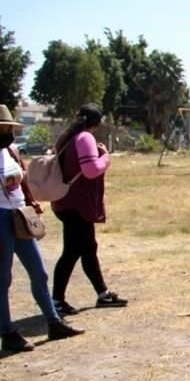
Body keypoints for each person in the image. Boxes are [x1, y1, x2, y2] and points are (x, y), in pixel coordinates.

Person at [0, 105, 83, 352]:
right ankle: (7, 332)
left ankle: (54, 322)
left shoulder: (11, 151)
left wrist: (30, 203)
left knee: (39, 272)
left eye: (9, 128)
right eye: (3, 129)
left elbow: (23, 179)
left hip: (19, 215)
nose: (7, 133)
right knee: (3, 278)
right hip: (0, 218)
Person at [50, 104, 127, 315]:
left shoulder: (67, 137)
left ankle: (103, 294)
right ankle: (56, 300)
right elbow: (91, 170)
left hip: (65, 201)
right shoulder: (85, 138)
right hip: (78, 204)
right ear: (97, 123)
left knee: (88, 249)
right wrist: (106, 158)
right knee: (71, 252)